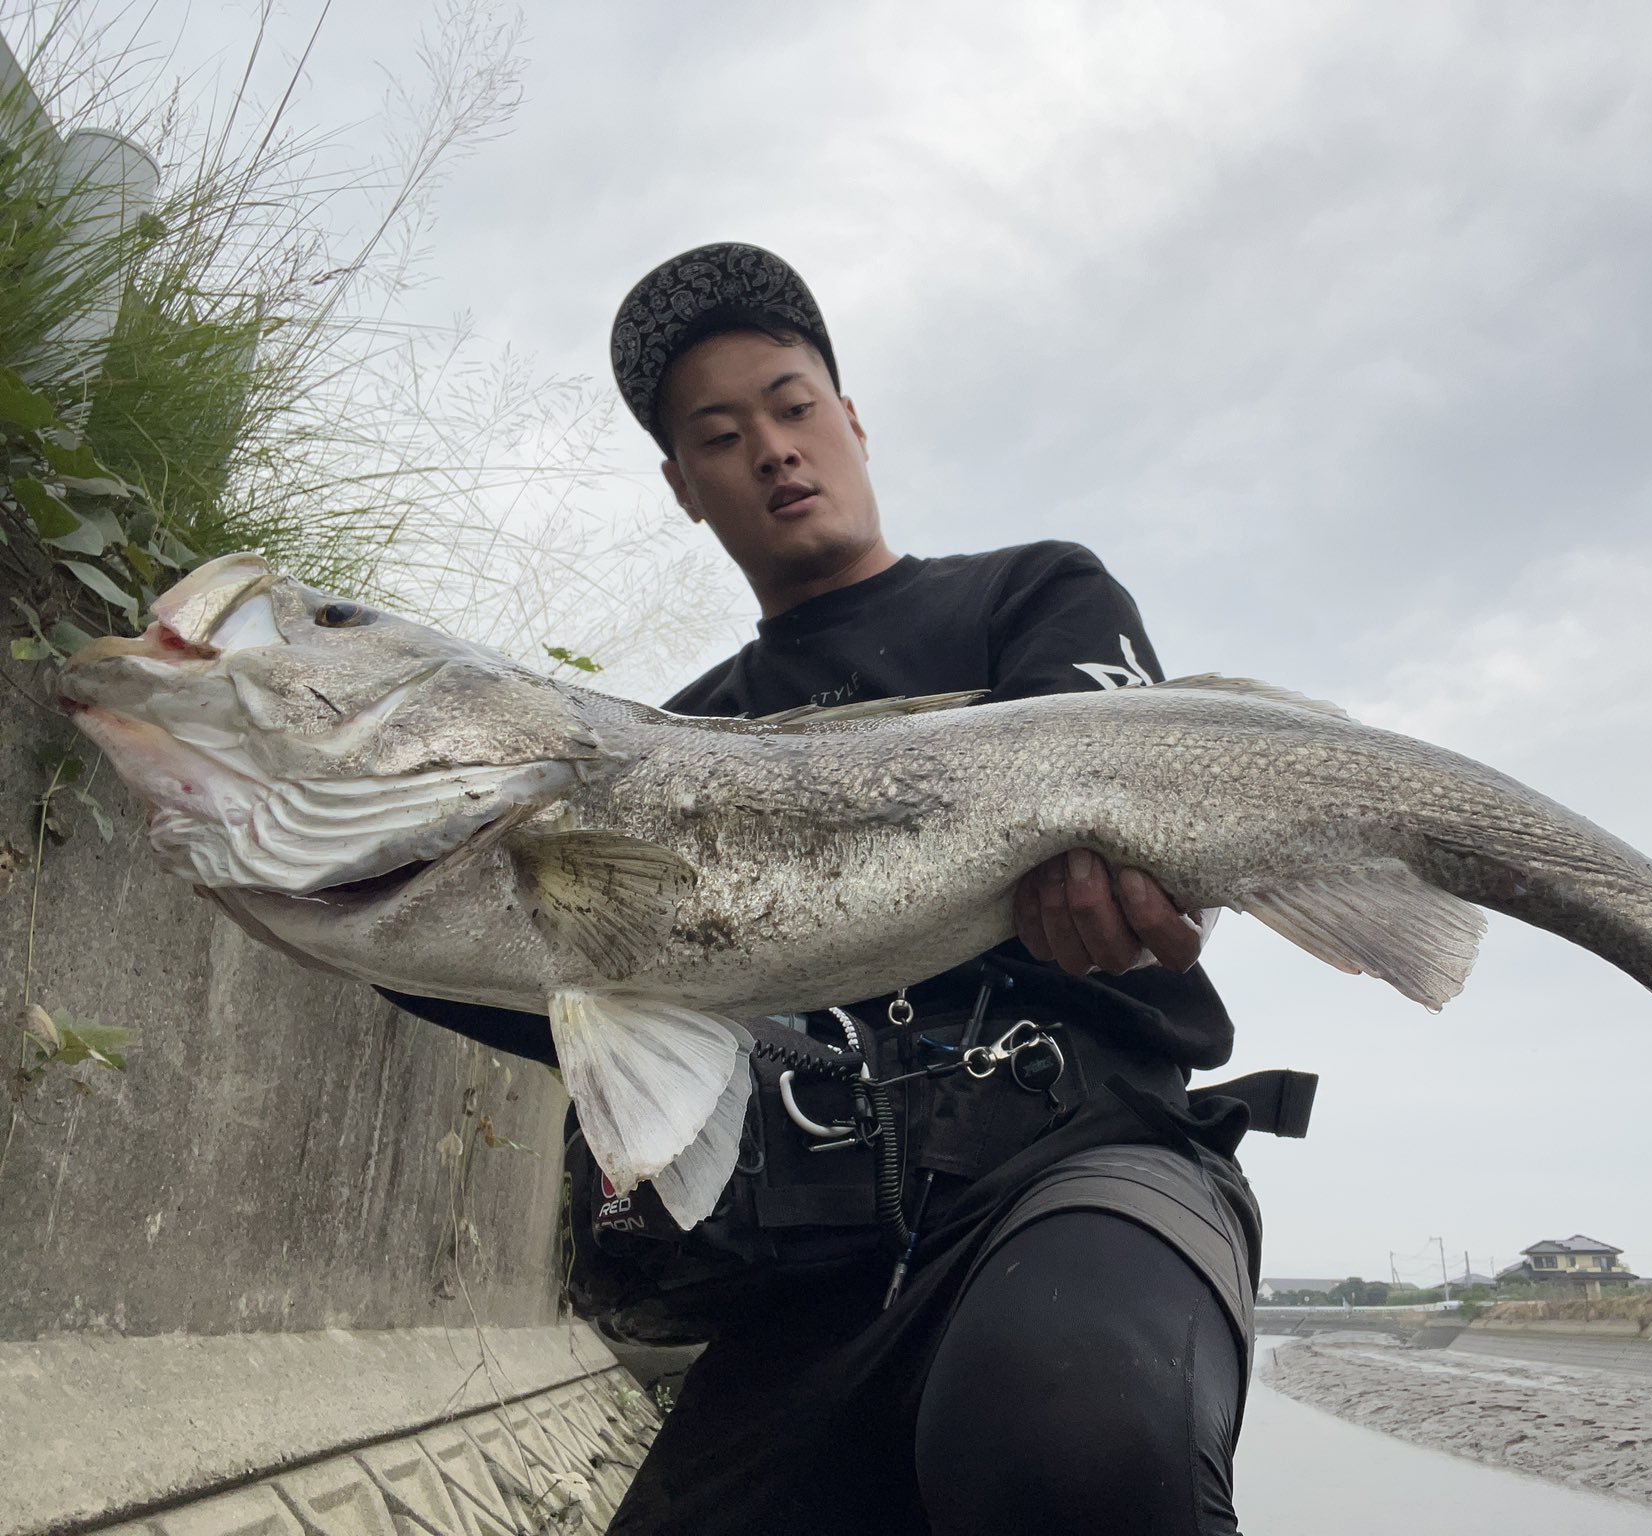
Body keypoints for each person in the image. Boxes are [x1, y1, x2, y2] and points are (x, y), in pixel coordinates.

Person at [389, 243, 1309, 1535]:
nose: (772, 448)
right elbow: (577, 980)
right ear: (684, 489)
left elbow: (1145, 816)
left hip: (1085, 1162)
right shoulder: (678, 746)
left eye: (792, 403)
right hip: (823, 1262)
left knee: (1072, 1440)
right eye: (721, 434)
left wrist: (1138, 887)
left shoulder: (1036, 596)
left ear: (852, 418)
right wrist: (369, 918)